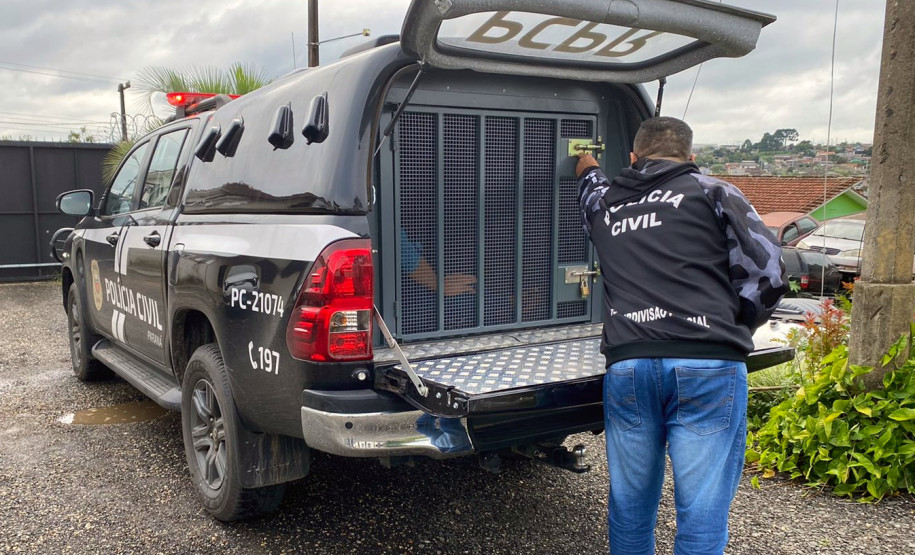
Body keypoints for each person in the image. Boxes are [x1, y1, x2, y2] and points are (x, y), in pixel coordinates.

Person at [575, 117, 787, 555]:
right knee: (702, 514)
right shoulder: (713, 190)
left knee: (630, 510)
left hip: (629, 362)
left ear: (634, 158)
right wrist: (730, 328)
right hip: (708, 365)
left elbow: (588, 182)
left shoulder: (606, 201)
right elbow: (768, 273)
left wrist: (584, 161)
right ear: (692, 159)